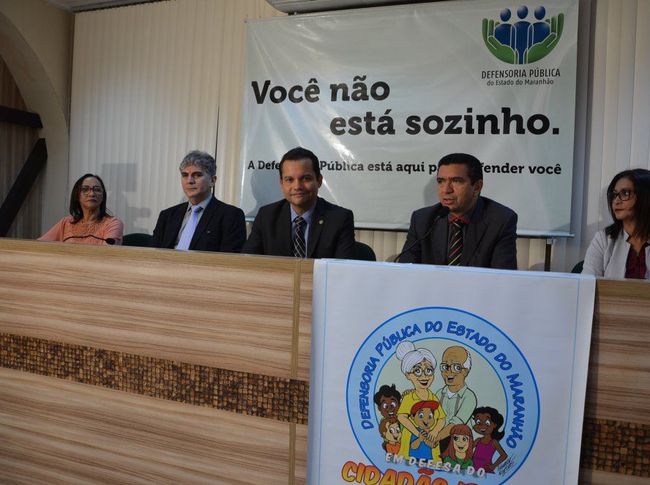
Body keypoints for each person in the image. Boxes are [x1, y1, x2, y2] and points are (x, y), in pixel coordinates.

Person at [398, 153, 517, 269]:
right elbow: (405, 270)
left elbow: (502, 276)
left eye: (456, 181)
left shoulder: (501, 221)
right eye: (441, 181)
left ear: (477, 187)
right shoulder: (422, 220)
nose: (446, 190)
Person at [242, 147, 355, 258]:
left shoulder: (339, 219)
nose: (297, 186)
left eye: (305, 178)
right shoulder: (266, 216)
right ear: (281, 183)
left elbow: (342, 267)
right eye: (289, 180)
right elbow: (247, 262)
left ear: (319, 181)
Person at [151, 150, 246, 252]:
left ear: (212, 181)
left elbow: (230, 258)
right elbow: (151, 253)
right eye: (185, 175)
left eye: (197, 175)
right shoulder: (167, 215)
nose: (190, 181)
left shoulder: (231, 216)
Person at [583, 168, 650, 279]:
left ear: (645, 197)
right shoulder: (603, 239)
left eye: (625, 193)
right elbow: (587, 284)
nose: (616, 201)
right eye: (614, 195)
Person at [394, 340, 445, 462]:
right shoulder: (409, 398)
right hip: (411, 444)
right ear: (408, 375)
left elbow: (442, 418)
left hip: (430, 445)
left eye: (428, 370)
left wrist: (435, 431)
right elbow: (401, 417)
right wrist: (417, 433)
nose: (424, 376)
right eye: (417, 371)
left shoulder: (433, 397)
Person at [39, 173, 123, 245]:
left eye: (97, 190)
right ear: (77, 195)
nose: (92, 194)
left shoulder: (113, 224)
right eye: (85, 189)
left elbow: (107, 253)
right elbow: (39, 244)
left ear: (103, 197)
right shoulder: (66, 223)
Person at [434, 346, 477, 452]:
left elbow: (455, 424)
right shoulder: (439, 393)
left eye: (456, 367)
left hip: (459, 445)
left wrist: (434, 439)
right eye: (445, 367)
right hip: (438, 442)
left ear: (466, 371)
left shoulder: (469, 396)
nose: (449, 372)